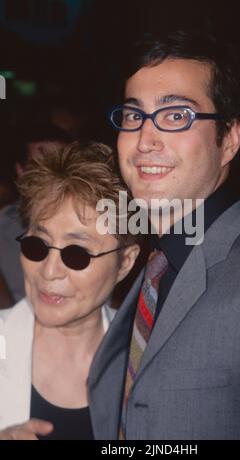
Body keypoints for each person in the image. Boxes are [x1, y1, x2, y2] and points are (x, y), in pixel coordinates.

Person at [89, 30, 240, 440]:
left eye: (175, 116)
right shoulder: (151, 265)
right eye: (134, 116)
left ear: (229, 140)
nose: (145, 139)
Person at [0, 141, 140, 440]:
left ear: (125, 262)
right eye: (36, 246)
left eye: (77, 254)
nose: (49, 271)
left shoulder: (146, 358)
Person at [0, 123, 71, 305]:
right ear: (21, 171)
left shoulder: (102, 229)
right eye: (40, 167)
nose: (53, 177)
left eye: (62, 166)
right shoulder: (3, 231)